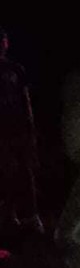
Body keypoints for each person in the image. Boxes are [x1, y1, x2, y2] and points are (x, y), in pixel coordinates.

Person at [0, 27, 41, 235]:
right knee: (6, 172)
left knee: (26, 171)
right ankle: (9, 214)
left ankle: (32, 215)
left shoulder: (16, 69)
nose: (1, 44)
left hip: (18, 128)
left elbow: (25, 100)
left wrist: (30, 125)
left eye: (3, 41)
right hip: (2, 131)